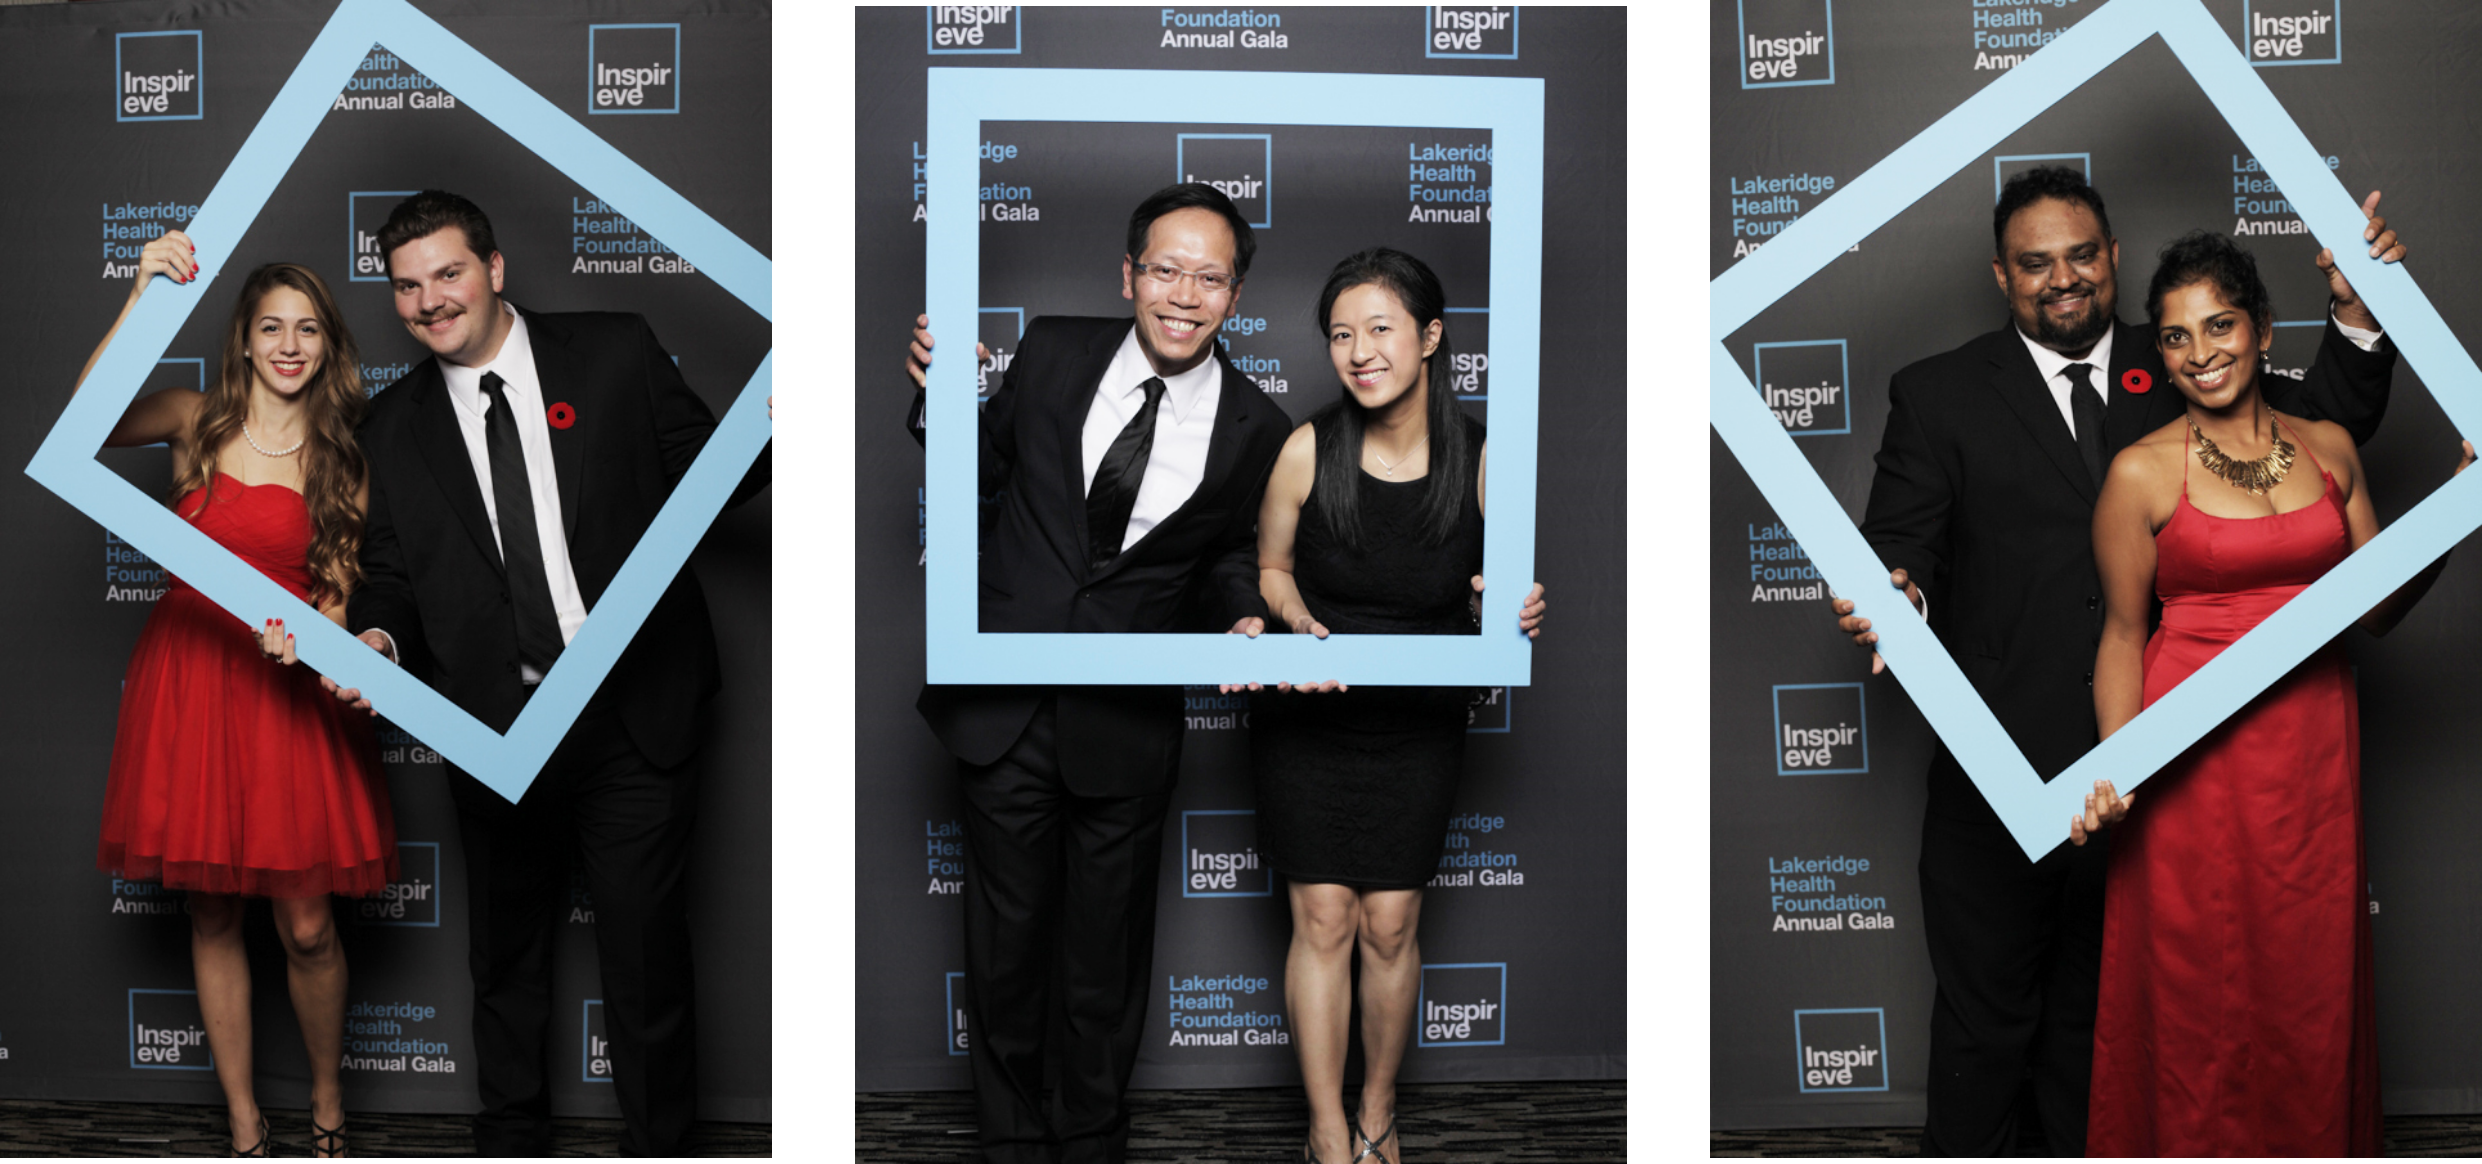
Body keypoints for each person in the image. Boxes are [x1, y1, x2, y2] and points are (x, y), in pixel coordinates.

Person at [1831, 165, 2410, 1157]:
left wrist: (2356, 311)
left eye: (2081, 256)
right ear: (2001, 275)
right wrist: (1896, 603)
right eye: (2035, 263)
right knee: (1982, 1028)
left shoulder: (2183, 350)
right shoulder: (1937, 392)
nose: (2062, 278)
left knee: (2107, 1035)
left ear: (2112, 256)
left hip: (2164, 770)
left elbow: (2326, 425)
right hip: (2005, 767)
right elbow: (1901, 546)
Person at [327, 190, 772, 1157]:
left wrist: (769, 422)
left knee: (647, 962)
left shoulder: (614, 350)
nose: (429, 301)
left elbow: (712, 474)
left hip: (634, 714)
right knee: (506, 966)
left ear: (494, 269)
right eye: (405, 286)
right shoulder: (388, 427)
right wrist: (379, 642)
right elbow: (390, 575)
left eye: (448, 273)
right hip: (496, 728)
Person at [905, 181, 1296, 1164]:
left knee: (1104, 963)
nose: (1184, 295)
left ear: (1236, 297)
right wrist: (939, 401)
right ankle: (1009, 1144)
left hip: (1124, 721)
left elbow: (1225, 555)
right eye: (1165, 270)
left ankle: (1091, 1141)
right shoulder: (1049, 351)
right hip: (1002, 704)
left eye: (1210, 279)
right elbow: (980, 473)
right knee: (1003, 955)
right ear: (1128, 275)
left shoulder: (1259, 425)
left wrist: (1243, 611)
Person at [2072, 230, 2468, 1155]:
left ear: (2262, 329)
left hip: (2311, 749)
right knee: (2195, 990)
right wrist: (2117, 768)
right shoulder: (2140, 471)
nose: (2200, 352)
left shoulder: (2329, 447)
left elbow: (2377, 609)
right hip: (2188, 759)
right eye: (2176, 337)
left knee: (2306, 984)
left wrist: (2458, 504)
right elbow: (2123, 634)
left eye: (2220, 325)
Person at [1214, 247, 1546, 1164]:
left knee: (1391, 925)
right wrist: (1296, 622)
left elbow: (1499, 592)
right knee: (1322, 917)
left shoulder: (1485, 457)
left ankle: (1378, 1109)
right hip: (1309, 718)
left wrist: (1507, 608)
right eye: (1340, 334)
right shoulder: (1305, 449)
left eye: (1380, 329)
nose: (1359, 352)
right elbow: (1269, 568)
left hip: (1418, 722)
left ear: (1431, 337)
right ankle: (1326, 1130)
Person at [81, 231, 395, 1159]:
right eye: (271, 327)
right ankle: (244, 1121)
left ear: (328, 346)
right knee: (212, 910)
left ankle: (329, 1105)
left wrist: (316, 638)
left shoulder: (344, 460)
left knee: (308, 924)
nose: (289, 345)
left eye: (308, 329)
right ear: (245, 341)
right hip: (190, 682)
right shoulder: (195, 421)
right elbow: (84, 424)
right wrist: (142, 289)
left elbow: (338, 597)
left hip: (285, 693)